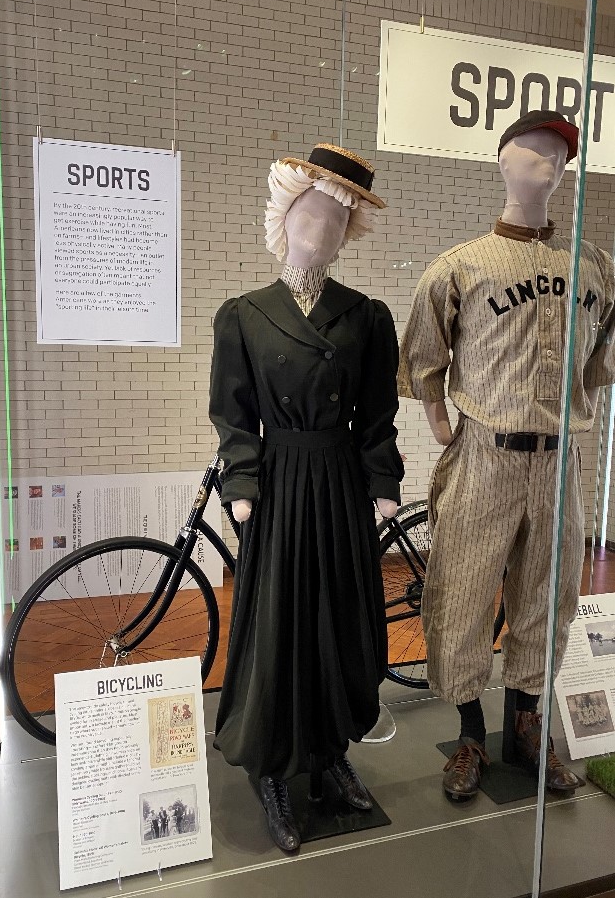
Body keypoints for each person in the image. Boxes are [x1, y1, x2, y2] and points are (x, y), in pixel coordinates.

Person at [398, 110, 615, 800]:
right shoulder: (458, 265)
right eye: (534, 151)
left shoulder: (592, 264)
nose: (549, 165)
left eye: (560, 155)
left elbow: (600, 354)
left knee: (547, 598)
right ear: (501, 160)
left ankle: (525, 728)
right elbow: (423, 357)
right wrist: (437, 416)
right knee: (460, 593)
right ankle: (468, 731)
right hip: (484, 454)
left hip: (560, 460)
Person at [209, 144, 404, 851]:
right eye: (312, 212)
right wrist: (241, 481)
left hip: (340, 485)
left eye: (337, 218)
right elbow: (232, 413)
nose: (321, 227)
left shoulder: (367, 316)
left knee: (338, 620)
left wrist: (382, 480)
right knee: (278, 626)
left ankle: (327, 754)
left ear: (348, 232)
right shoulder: (243, 315)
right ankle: (271, 767)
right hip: (280, 488)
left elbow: (377, 411)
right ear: (285, 215)